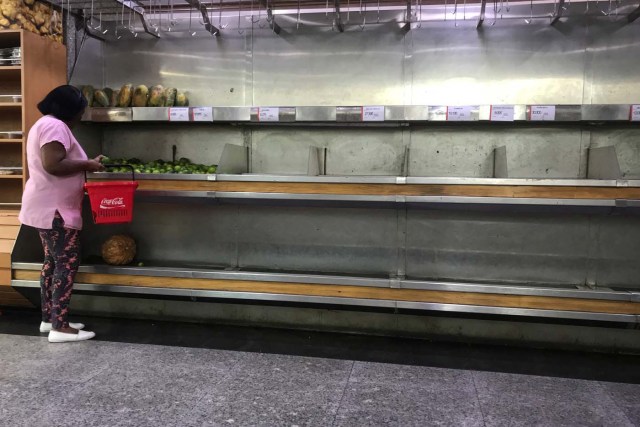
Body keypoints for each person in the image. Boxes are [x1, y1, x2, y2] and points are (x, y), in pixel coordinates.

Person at [19, 85, 104, 343]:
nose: (81, 115)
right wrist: (88, 164)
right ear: (71, 109)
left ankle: (50, 319)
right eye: (81, 110)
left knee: (52, 263)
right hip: (55, 210)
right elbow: (53, 164)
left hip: (46, 206)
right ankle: (60, 327)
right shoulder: (56, 127)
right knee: (66, 265)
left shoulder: (43, 124)